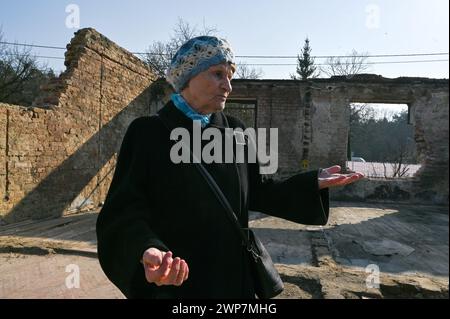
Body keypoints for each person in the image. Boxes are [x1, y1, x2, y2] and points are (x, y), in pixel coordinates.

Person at [96, 36, 364, 299]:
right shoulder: (148, 133)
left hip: (234, 280)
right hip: (179, 280)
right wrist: (147, 250)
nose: (228, 86)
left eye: (230, 76)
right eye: (217, 74)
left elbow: (259, 190)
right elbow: (123, 213)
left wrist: (312, 183)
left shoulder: (235, 130)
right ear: (188, 77)